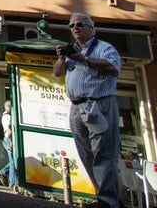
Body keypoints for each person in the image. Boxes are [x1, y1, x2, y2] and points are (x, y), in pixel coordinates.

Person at [54, 12, 121, 208]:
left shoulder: (103, 48)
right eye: (71, 26)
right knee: (86, 153)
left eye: (79, 24)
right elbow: (57, 72)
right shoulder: (73, 51)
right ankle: (101, 195)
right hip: (76, 106)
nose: (75, 28)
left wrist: (83, 59)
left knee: (103, 152)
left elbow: (113, 68)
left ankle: (108, 201)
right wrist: (62, 57)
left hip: (98, 104)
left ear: (91, 28)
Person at [0, 99, 18, 189]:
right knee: (13, 162)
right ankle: (12, 182)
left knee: (12, 160)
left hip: (5, 139)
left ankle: (3, 172)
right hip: (8, 139)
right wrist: (11, 142)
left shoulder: (3, 116)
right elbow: (9, 130)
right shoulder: (9, 117)